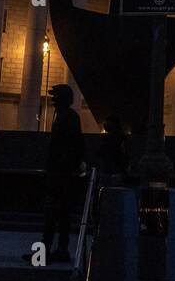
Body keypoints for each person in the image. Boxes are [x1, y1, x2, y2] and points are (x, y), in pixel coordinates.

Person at [24, 84, 85, 264]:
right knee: (59, 215)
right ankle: (59, 251)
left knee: (53, 216)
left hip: (61, 175)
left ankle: (45, 255)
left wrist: (62, 168)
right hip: (60, 173)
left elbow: (73, 145)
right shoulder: (65, 116)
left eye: (56, 97)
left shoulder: (68, 117)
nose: (53, 100)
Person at [98, 114, 128, 187]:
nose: (105, 124)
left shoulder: (111, 138)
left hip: (112, 168)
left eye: (108, 122)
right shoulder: (120, 137)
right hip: (114, 169)